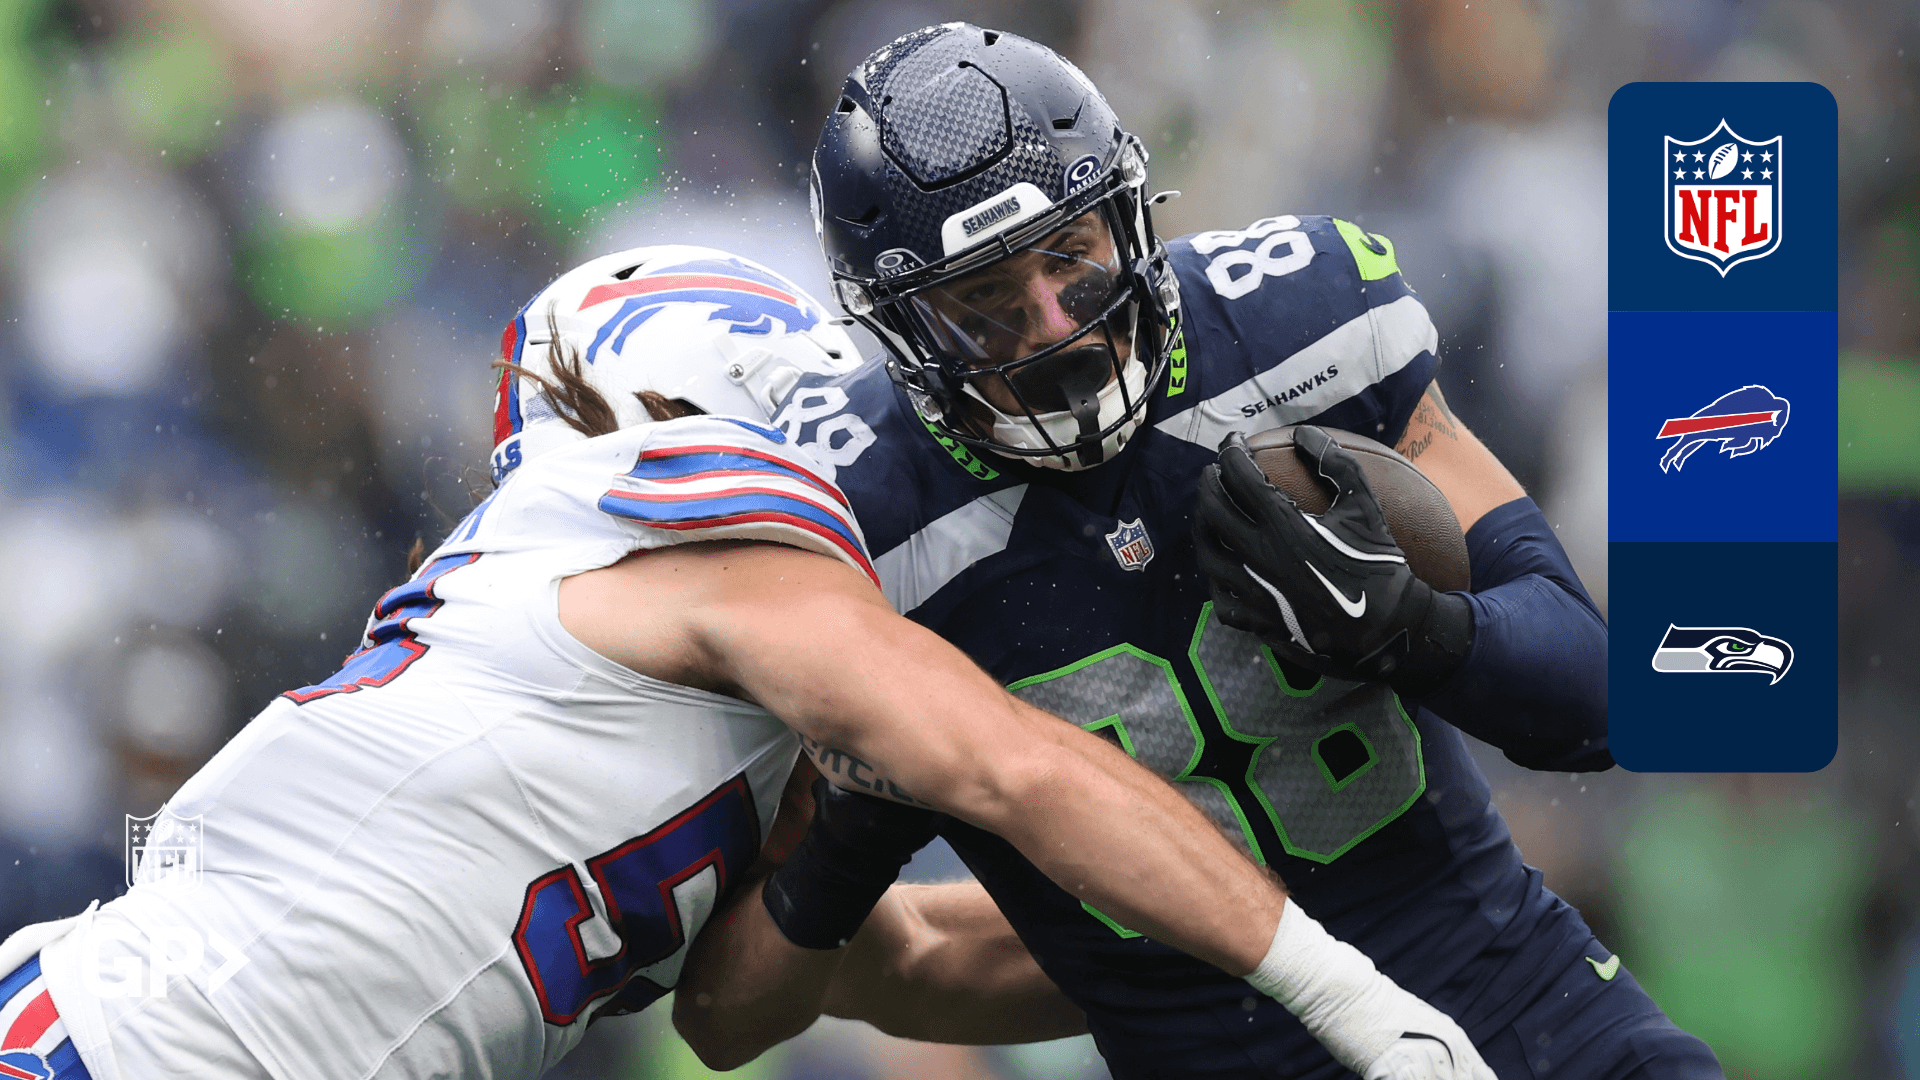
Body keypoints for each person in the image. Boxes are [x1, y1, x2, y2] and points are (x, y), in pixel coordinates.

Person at [0, 246, 1486, 1080]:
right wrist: (1349, 994)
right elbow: (1006, 762)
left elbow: (907, 964)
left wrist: (1343, 933)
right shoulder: (657, 505)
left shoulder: (724, 700)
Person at [712, 23, 1724, 1080]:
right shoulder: (846, 526)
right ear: (902, 332)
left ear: (1128, 216)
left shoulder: (1293, 326)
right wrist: (853, 815)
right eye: (986, 306)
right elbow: (728, 1020)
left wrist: (1416, 630)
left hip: (1524, 1007)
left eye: (1072, 258)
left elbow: (1601, 701)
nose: (1055, 328)